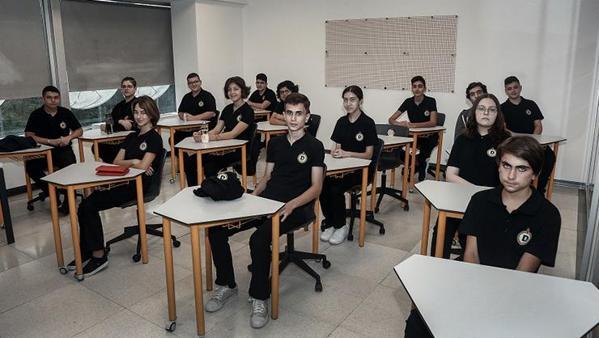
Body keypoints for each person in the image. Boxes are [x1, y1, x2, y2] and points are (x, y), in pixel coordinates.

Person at [405, 135, 561, 338]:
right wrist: (473, 295)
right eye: (506, 165)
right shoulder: (480, 201)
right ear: (498, 166)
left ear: (535, 174)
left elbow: (522, 273)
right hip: (473, 277)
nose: (511, 175)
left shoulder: (547, 215)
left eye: (521, 169)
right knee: (419, 320)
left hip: (515, 288)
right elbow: (471, 255)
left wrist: (488, 303)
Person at [204, 93, 324, 329]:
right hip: (267, 201)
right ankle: (227, 284)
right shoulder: (275, 143)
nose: (293, 118)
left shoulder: (314, 146)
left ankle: (260, 297)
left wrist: (291, 204)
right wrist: (252, 198)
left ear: (307, 117)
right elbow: (268, 177)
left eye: (299, 113)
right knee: (217, 229)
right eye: (289, 112)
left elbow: (316, 187)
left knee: (258, 239)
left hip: (297, 206)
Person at [72, 95, 163, 277]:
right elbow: (116, 161)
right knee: (84, 206)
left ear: (152, 114)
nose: (138, 117)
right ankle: (88, 252)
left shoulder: (154, 138)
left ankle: (99, 256)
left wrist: (136, 164)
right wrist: (135, 160)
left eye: (143, 113)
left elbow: (144, 167)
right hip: (124, 181)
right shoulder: (131, 136)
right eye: (136, 112)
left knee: (88, 205)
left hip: (138, 186)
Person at [431, 93, 510, 258]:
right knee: (441, 229)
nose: (486, 113)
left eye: (491, 110)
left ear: (498, 114)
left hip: (493, 201)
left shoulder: (506, 141)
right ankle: (437, 268)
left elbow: (510, 177)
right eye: (481, 109)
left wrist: (484, 196)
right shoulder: (463, 139)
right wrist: (474, 191)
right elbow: (451, 174)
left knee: (482, 244)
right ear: (474, 112)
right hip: (461, 196)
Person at [319, 85, 377, 245]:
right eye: (345, 100)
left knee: (335, 189)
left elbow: (369, 155)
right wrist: (337, 152)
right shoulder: (341, 122)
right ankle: (330, 223)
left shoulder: (367, 123)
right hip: (341, 168)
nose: (348, 103)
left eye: (352, 100)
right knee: (322, 185)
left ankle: (341, 226)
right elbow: (336, 147)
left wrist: (347, 153)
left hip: (360, 170)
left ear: (360, 101)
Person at [183, 76, 254, 186]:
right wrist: (202, 134)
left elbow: (233, 134)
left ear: (242, 90)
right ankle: (194, 189)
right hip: (224, 147)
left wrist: (208, 138)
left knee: (210, 165)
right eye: (229, 89)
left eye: (236, 89)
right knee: (190, 161)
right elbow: (216, 129)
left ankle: (214, 191)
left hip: (239, 150)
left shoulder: (248, 111)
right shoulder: (227, 109)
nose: (232, 92)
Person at [24, 86, 83, 212]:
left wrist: (69, 137)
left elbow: (79, 130)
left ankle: (68, 202)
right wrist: (50, 141)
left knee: (70, 167)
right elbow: (28, 135)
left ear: (59, 98)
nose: (53, 100)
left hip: (62, 150)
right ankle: (52, 193)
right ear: (43, 99)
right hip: (41, 151)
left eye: (56, 97)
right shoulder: (36, 115)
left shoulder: (65, 112)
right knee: (31, 167)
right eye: (49, 98)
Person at [500, 76, 555, 194]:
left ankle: (539, 189)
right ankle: (521, 187)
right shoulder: (502, 108)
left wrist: (533, 141)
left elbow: (538, 126)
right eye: (509, 89)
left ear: (520, 88)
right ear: (506, 91)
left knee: (549, 157)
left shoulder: (531, 104)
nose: (513, 90)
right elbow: (504, 129)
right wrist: (519, 139)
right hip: (513, 143)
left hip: (533, 142)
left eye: (515, 87)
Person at [388, 76, 438, 181]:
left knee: (424, 152)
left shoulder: (431, 101)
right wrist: (399, 123)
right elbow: (391, 119)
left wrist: (414, 125)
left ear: (424, 88)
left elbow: (433, 122)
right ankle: (414, 163)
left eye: (420, 86)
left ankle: (421, 164)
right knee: (397, 148)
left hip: (429, 136)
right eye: (414, 86)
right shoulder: (408, 101)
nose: (417, 89)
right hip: (413, 136)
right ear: (412, 88)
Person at [97, 76, 137, 163]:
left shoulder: (137, 104)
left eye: (129, 86)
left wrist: (116, 123)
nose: (126, 89)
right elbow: (109, 125)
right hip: (117, 140)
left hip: (132, 141)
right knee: (96, 147)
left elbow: (128, 127)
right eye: (124, 87)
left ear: (135, 89)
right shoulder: (118, 106)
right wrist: (121, 121)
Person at [174, 73, 218, 145]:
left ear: (200, 82)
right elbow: (180, 112)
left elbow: (211, 113)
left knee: (188, 140)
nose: (193, 84)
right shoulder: (186, 97)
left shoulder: (207, 96)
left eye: (196, 82)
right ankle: (183, 156)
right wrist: (184, 116)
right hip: (188, 128)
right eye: (191, 83)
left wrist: (194, 118)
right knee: (174, 139)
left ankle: (191, 156)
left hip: (203, 128)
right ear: (188, 85)